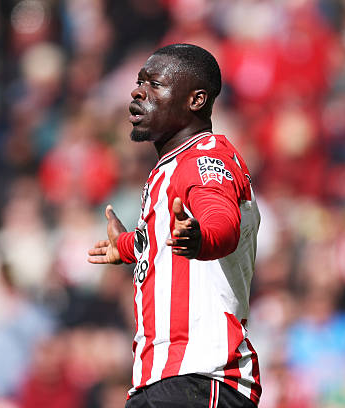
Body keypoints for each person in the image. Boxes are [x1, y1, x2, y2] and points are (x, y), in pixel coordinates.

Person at [88, 43, 261, 407]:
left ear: (195, 100)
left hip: (201, 376)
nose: (138, 92)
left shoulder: (204, 158)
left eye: (154, 84)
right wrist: (125, 246)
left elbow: (221, 224)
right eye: (139, 82)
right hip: (162, 379)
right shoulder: (171, 167)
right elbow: (160, 241)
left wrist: (202, 239)